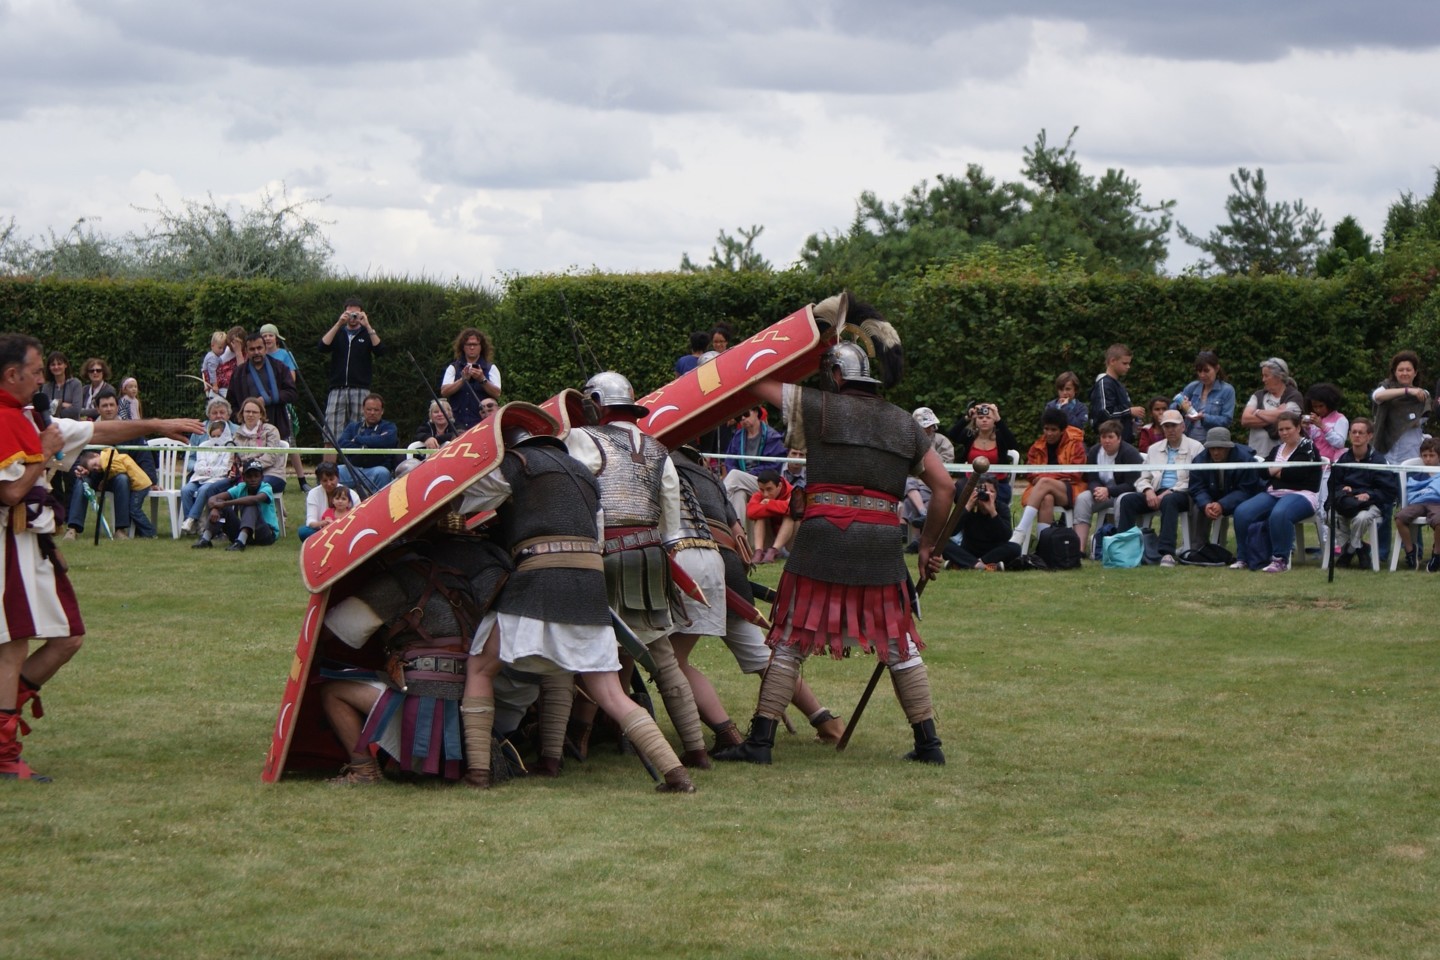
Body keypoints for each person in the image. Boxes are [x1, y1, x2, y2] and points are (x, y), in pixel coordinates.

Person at [715, 298, 955, 767]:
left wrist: (793, 347)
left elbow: (750, 379)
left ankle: (761, 741)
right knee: (898, 644)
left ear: (836, 378)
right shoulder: (904, 422)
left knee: (789, 639)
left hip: (824, 538)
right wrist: (928, 546)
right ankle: (928, 744)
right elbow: (944, 487)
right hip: (881, 545)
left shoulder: (816, 405)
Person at [457, 410, 696, 792]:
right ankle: (676, 774)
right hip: (588, 585)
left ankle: (479, 773)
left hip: (538, 580)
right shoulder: (584, 474)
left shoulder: (516, 465)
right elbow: (597, 535)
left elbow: (467, 502)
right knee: (612, 694)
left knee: (480, 668)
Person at [1, 332, 201, 780]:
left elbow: (97, 430)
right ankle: (3, 751)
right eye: (36, 372)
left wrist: (156, 425)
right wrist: (44, 455)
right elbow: (12, 491)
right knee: (12, 645)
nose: (42, 380)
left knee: (66, 637)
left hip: (28, 544)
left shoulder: (29, 415)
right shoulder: (3, 419)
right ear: (12, 374)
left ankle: (2, 728)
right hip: (6, 547)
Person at [564, 371, 705, 771]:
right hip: (651, 557)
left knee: (585, 651)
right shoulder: (659, 448)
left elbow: (576, 495)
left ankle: (567, 745)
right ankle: (695, 749)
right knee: (661, 656)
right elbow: (672, 523)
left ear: (596, 402)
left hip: (604, 557)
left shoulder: (581, 438)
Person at [668, 444, 845, 751]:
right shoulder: (708, 475)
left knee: (671, 661)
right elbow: (736, 529)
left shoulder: (659, 463)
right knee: (766, 661)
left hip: (691, 565)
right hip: (728, 568)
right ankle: (825, 721)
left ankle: (727, 733)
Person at [1231, 412, 1322, 572]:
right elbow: (1262, 472)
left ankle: (1280, 559)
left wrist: (1275, 471)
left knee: (1280, 513)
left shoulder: (1308, 447)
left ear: (1298, 428)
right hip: (1274, 493)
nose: (1284, 433)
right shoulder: (1277, 449)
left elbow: (1298, 475)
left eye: (1288, 428)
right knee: (1242, 512)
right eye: (1281, 430)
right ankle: (1244, 557)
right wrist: (1282, 471)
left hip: (1303, 494)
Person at [1116, 410, 1204, 566]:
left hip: (1182, 493)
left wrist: (1167, 493)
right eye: (1167, 426)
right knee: (1127, 500)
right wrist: (1148, 491)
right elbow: (1143, 477)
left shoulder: (1196, 447)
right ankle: (1125, 549)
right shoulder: (1154, 449)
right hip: (1156, 491)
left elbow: (1194, 480)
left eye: (1174, 426)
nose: (1170, 430)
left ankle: (1166, 553)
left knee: (1169, 500)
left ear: (1183, 426)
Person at [318, 298, 384, 461]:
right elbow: (322, 347)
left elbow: (380, 350)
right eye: (349, 313)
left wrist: (367, 326)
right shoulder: (338, 332)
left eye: (356, 313)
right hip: (337, 388)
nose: (353, 317)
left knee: (360, 434)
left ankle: (357, 473)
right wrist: (338, 324)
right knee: (331, 435)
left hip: (360, 389)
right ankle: (328, 476)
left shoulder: (366, 334)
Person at [1011, 407, 1086, 550]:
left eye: (1053, 430)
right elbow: (1030, 472)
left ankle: (1020, 531)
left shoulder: (1075, 445)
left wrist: (1046, 477)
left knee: (1045, 482)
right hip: (1042, 490)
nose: (1049, 433)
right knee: (1047, 498)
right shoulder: (1037, 445)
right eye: (1046, 429)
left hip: (1070, 489)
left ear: (1062, 430)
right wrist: (1041, 479)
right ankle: (1043, 547)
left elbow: (1075, 474)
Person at [1328, 417, 1398, 569]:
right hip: (1347, 502)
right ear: (1349, 435)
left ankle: (1349, 552)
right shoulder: (1343, 459)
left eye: (1361, 432)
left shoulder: (1379, 461)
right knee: (1329, 515)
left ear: (1369, 436)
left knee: (1361, 519)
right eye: (1354, 432)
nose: (1357, 435)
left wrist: (1369, 495)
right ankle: (1360, 549)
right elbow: (1333, 484)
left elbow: (1389, 491)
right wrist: (1343, 490)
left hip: (1370, 504)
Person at [1072, 419, 1142, 555]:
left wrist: (1109, 490)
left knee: (1123, 500)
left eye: (1111, 437)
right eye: (1104, 437)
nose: (1107, 441)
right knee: (1082, 499)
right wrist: (1096, 490)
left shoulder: (1130, 453)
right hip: (1102, 492)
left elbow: (1133, 484)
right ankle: (1079, 549)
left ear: (1119, 438)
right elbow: (1091, 478)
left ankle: (1119, 547)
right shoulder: (1094, 451)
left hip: (1123, 493)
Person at [1189, 427, 1265, 544]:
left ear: (1229, 447)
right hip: (1212, 496)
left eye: (1219, 448)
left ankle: (1246, 549)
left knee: (1244, 510)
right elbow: (1196, 487)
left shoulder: (1245, 459)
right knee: (1198, 508)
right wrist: (1205, 504)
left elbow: (1248, 489)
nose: (1215, 452)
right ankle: (1199, 550)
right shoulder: (1199, 460)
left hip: (1241, 499)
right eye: (1212, 448)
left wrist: (1223, 504)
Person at [946, 401, 1019, 517]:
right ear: (975, 420)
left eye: (988, 417)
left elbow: (1013, 445)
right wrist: (967, 418)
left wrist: (999, 419)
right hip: (971, 483)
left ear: (994, 420)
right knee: (959, 490)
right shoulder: (969, 435)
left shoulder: (1001, 436)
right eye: (980, 417)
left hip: (997, 485)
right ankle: (960, 529)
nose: (984, 420)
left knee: (988, 500)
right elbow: (952, 435)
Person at [227, 332, 299, 448]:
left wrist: (267, 399)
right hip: (248, 428)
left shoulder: (279, 368)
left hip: (276, 422)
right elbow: (231, 402)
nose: (256, 352)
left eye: (259, 348)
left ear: (265, 348)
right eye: (252, 349)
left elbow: (292, 393)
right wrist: (239, 418)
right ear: (246, 351)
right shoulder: (238, 373)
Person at [68, 448, 157, 540]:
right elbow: (74, 452)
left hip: (116, 477)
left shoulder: (130, 437)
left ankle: (120, 530)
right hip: (92, 474)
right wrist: (80, 468)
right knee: (81, 482)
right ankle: (72, 529)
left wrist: (153, 481)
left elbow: (144, 456)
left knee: (122, 479)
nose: (97, 467)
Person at [192, 460, 279, 551]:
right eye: (249, 476)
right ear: (244, 478)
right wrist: (215, 508)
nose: (253, 479)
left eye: (256, 476)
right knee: (222, 507)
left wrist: (225, 503)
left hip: (265, 533)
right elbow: (213, 498)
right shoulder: (241, 487)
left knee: (250, 504)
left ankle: (240, 543)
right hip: (246, 530)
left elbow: (255, 499)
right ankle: (205, 539)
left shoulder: (266, 487)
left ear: (262, 477)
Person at [721, 404, 787, 524]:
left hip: (766, 483)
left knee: (735, 476)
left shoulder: (772, 436)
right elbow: (730, 461)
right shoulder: (737, 436)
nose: (743, 419)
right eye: (738, 417)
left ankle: (720, 502)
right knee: (738, 494)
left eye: (746, 414)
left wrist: (746, 474)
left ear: (757, 412)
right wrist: (742, 476)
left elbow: (773, 467)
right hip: (742, 480)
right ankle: (740, 535)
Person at [942, 475, 1021, 571]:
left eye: (992, 492)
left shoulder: (1001, 508)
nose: (987, 494)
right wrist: (967, 507)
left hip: (993, 552)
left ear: (996, 494)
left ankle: (966, 564)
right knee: (943, 544)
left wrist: (993, 513)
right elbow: (951, 532)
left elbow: (1006, 536)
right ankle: (983, 566)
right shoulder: (969, 507)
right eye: (984, 491)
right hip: (969, 550)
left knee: (1015, 548)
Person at [1371, 349, 1432, 465]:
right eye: (1400, 370)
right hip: (1386, 446)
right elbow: (1377, 396)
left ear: (1415, 372)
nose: (1405, 373)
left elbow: (1419, 419)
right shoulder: (1386, 387)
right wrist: (1407, 391)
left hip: (1410, 447)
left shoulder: (1422, 393)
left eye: (1408, 370)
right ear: (1395, 372)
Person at [180, 418, 237, 535]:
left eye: (219, 436)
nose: (216, 439)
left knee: (203, 490)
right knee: (186, 490)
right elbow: (198, 466)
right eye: (213, 436)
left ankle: (191, 519)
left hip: (215, 480)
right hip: (198, 477)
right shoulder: (204, 445)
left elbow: (225, 469)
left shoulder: (229, 446)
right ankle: (193, 525)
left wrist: (207, 471)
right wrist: (209, 470)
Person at [439, 328, 501, 431]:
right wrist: (462, 380)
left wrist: (482, 379)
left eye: (475, 344)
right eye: (468, 344)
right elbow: (444, 392)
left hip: (483, 423)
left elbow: (497, 393)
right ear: (463, 347)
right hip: (458, 424)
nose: (472, 347)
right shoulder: (453, 368)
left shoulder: (491, 368)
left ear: (481, 347)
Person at [1239, 357, 1303, 458]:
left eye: (1266, 376)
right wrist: (1278, 413)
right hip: (1256, 455)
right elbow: (1245, 419)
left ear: (1278, 377)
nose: (1263, 380)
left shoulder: (1294, 397)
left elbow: (1288, 420)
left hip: (1283, 457)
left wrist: (1258, 412)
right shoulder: (1258, 395)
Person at [336, 393, 398, 495]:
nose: (372, 413)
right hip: (352, 469)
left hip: (377, 470)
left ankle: (379, 507)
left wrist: (357, 439)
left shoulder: (389, 427)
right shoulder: (353, 427)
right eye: (369, 409)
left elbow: (387, 441)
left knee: (382, 473)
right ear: (363, 410)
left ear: (382, 411)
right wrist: (370, 443)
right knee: (333, 471)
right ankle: (331, 508)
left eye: (376, 410)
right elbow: (342, 443)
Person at [1394, 436, 1440, 571]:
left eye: (1432, 455)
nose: (1428, 459)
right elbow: (1412, 490)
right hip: (1418, 502)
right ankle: (1410, 551)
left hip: (1437, 504)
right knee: (1400, 518)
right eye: (1425, 456)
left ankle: (1437, 554)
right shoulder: (1417, 474)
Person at [1172, 350, 1236, 444]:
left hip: (1213, 444)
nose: (1202, 375)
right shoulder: (1192, 387)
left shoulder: (1227, 390)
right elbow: (1172, 408)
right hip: (1188, 441)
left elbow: (1227, 420)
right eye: (1199, 371)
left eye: (1206, 370)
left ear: (1217, 369)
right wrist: (1180, 405)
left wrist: (1204, 417)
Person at [1089, 344, 1145, 445]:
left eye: (1129, 363)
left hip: (1123, 443)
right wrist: (1129, 411)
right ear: (1112, 361)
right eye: (1125, 363)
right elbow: (1105, 414)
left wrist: (1132, 425)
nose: (1128, 367)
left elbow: (1120, 415)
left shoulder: (1118, 385)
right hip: (1110, 444)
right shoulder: (1104, 383)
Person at [232, 397, 287, 493]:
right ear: (242, 413)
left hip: (272, 473)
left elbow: (271, 456)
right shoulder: (237, 434)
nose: (250, 414)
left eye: (254, 412)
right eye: (247, 411)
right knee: (214, 488)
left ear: (261, 414)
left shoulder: (270, 430)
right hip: (244, 475)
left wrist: (249, 467)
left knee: (253, 487)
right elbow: (233, 457)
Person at [745, 469, 795, 564]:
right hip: (769, 540)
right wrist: (780, 507)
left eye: (769, 489)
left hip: (791, 542)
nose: (765, 494)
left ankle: (773, 551)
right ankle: (758, 552)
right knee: (759, 516)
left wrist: (769, 504)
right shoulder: (758, 495)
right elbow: (750, 513)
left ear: (779, 485)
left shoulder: (793, 492)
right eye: (762, 490)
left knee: (790, 516)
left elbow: (794, 509)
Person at [299, 462, 359, 540]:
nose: (329, 483)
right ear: (319, 481)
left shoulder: (351, 494)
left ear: (338, 477)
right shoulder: (313, 494)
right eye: (325, 480)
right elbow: (310, 521)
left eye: (331, 479)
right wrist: (322, 523)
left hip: (346, 530)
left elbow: (358, 518)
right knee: (304, 532)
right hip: (322, 530)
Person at [1302, 383, 1350, 464]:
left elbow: (1340, 443)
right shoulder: (1316, 419)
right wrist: (1305, 428)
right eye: (1315, 406)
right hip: (1315, 462)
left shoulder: (1340, 419)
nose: (1318, 410)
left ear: (1329, 404)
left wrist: (1323, 427)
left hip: (1331, 464)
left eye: (1321, 406)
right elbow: (1310, 441)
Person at [41, 352, 83, 420]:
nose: (56, 367)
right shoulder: (46, 387)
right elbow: (43, 408)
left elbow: (76, 409)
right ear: (49, 367)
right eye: (53, 365)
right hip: (53, 427)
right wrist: (62, 404)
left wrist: (55, 411)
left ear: (65, 365)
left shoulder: (76, 384)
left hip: (73, 426)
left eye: (59, 364)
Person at [200, 331, 228, 402]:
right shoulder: (212, 357)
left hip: (214, 378)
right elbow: (212, 372)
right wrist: (214, 385)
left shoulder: (215, 355)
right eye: (220, 348)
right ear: (212, 345)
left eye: (224, 348)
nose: (222, 350)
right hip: (212, 379)